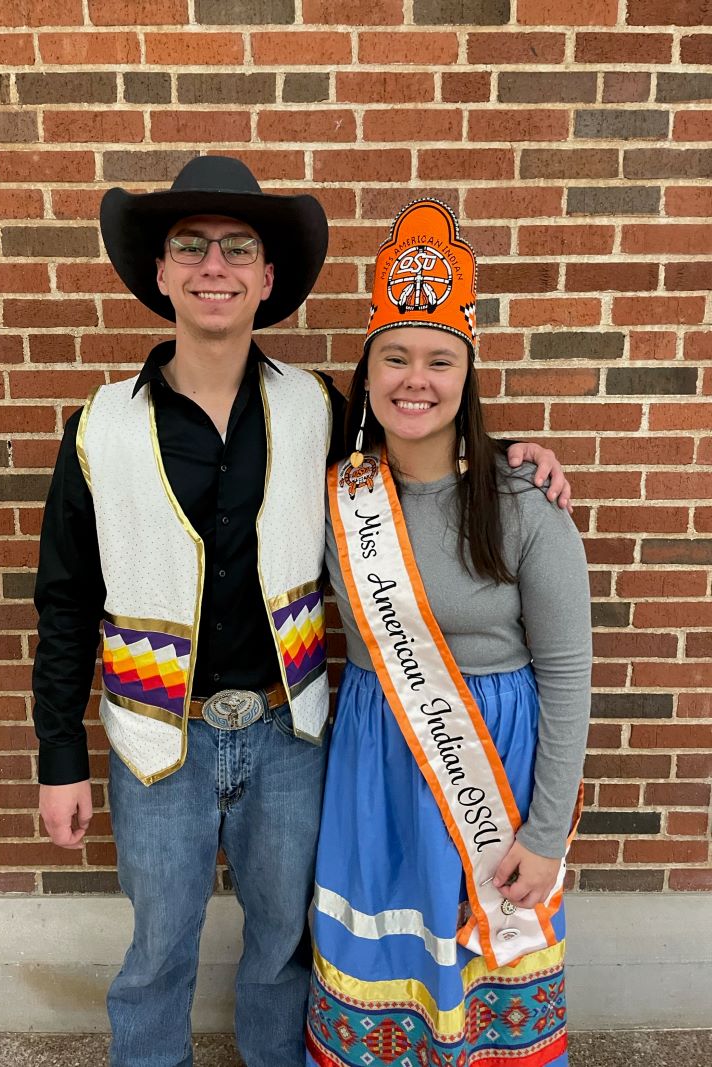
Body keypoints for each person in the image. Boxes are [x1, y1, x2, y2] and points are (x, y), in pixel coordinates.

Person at [32, 157, 573, 1067]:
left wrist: (515, 451)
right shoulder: (97, 429)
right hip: (158, 739)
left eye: (237, 246)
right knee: (157, 955)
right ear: (159, 273)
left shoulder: (321, 409)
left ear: (267, 277)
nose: (215, 265)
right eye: (190, 246)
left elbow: (423, 442)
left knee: (284, 952)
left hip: (294, 738)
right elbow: (65, 604)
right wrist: (59, 757)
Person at [306, 199, 592, 1067]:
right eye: (394, 357)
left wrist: (545, 836)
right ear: (368, 370)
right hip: (375, 772)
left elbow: (570, 680)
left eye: (439, 359)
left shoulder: (523, 506)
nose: (415, 378)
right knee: (383, 971)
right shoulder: (334, 500)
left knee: (485, 977)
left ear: (467, 374)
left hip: (492, 778)